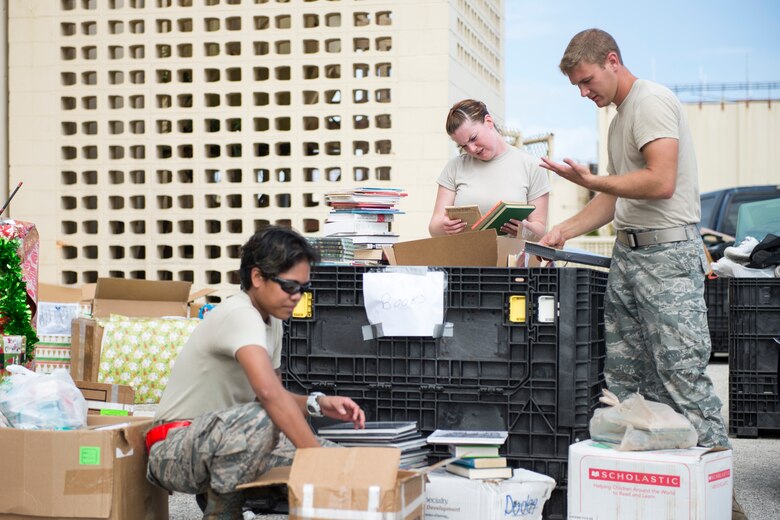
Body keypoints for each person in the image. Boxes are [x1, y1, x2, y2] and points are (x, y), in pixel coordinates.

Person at [538, 29, 746, 519]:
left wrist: (590, 179)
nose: (585, 93)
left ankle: (722, 499)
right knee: (628, 382)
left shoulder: (652, 102)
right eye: (577, 87)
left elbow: (659, 179)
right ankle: (657, 497)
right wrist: (563, 230)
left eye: (587, 81)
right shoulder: (615, 122)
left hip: (667, 256)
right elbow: (612, 199)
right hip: (629, 258)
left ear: (612, 61)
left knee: (680, 375)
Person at [146, 226, 366, 519]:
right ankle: (223, 512)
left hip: (227, 441)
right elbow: (269, 397)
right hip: (174, 449)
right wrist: (315, 460)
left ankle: (252, 498)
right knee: (271, 421)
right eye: (289, 286)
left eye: (303, 288)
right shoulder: (240, 314)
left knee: (351, 467)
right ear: (257, 277)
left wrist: (317, 403)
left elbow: (277, 395)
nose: (297, 297)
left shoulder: (272, 320)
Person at [429, 99, 551, 238]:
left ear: (488, 121)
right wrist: (444, 226)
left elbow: (540, 231)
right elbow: (434, 228)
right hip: (463, 258)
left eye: (473, 138)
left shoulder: (532, 166)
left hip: (510, 258)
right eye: (464, 146)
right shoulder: (455, 166)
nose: (472, 149)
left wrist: (524, 229)